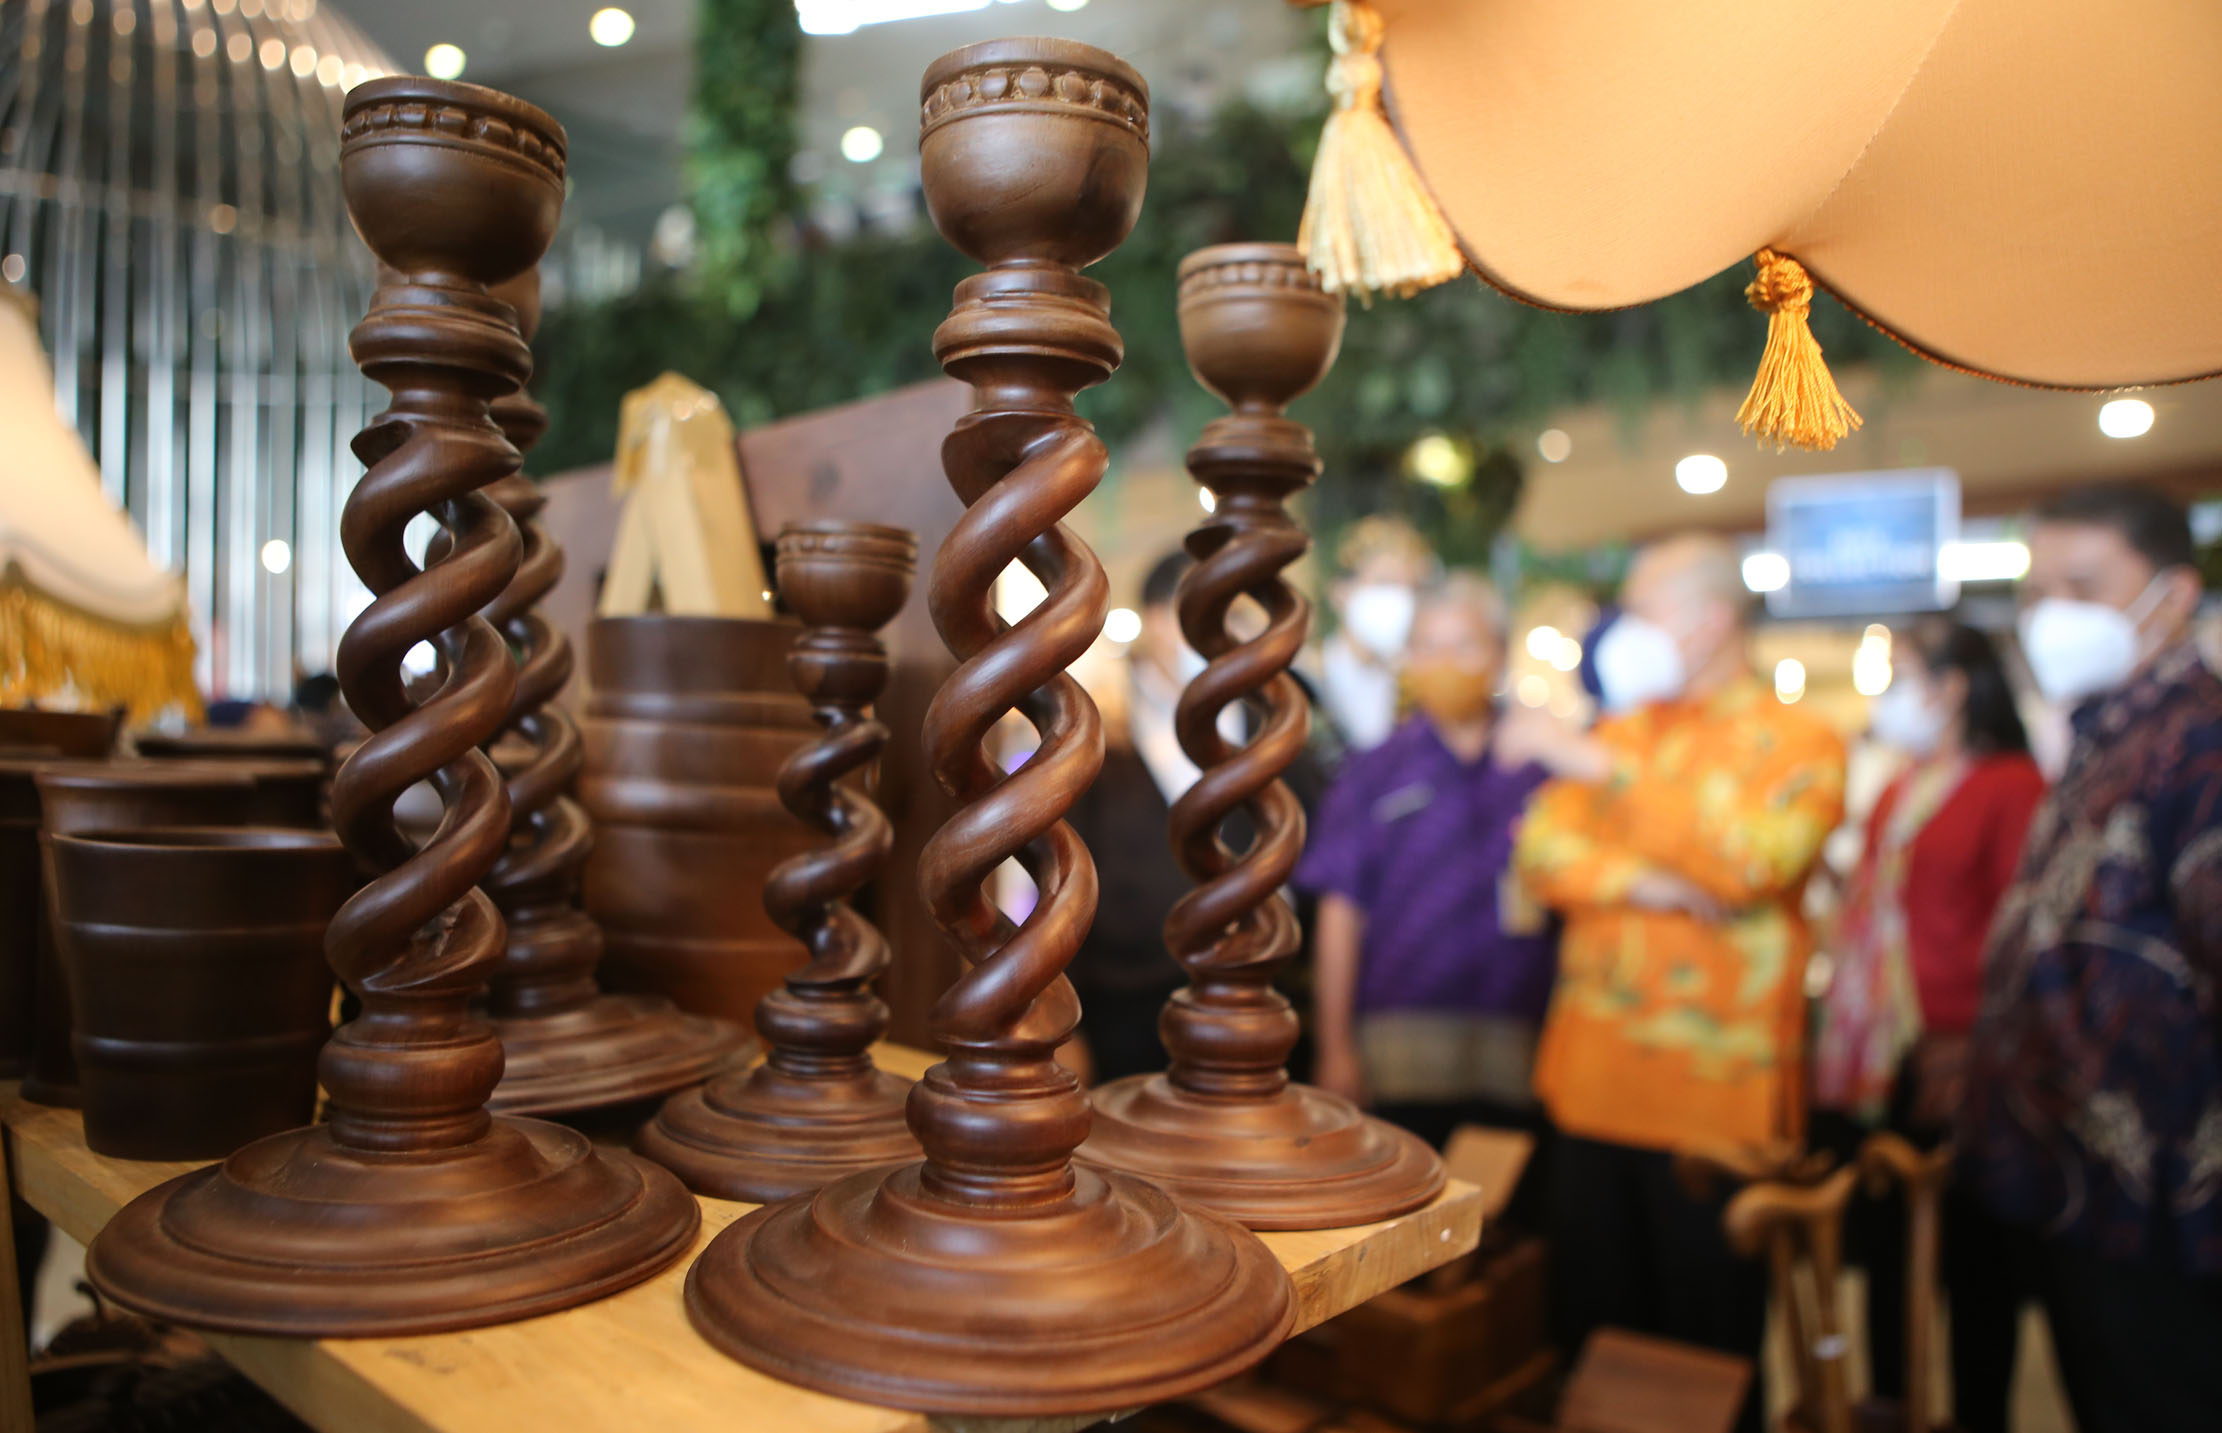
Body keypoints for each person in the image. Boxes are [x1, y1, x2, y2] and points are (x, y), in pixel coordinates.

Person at [1512, 534, 1846, 1430]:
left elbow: (1753, 861)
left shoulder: (1802, 741)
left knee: (1709, 1351)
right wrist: (1654, 882)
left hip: (1716, 1103)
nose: (1623, 629)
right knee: (1591, 1339)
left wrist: (1611, 777)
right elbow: (1543, 852)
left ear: (1709, 621)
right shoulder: (1625, 729)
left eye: (1642, 609)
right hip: (1591, 1085)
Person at [1960, 483, 2222, 1433]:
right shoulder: (2104, 733)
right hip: (2075, 1178)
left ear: (2173, 595)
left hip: (2162, 1191)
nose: (2053, 616)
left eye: (2083, 587)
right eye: (2039, 593)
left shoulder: (2200, 741)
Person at [1812, 620, 2044, 1433]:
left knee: (1976, 1259)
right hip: (1884, 1051)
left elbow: (2020, 927)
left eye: (1901, 674)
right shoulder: (1902, 784)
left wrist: (1974, 1040)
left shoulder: (2011, 784)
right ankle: (1892, 1406)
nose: (1887, 694)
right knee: (1885, 1247)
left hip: (1967, 1054)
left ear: (1951, 687)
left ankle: (1980, 1414)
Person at [1297, 575, 1557, 1181]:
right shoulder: (1375, 771)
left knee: (1507, 1210)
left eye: (1465, 646)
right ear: (1410, 659)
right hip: (1400, 1042)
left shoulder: (1541, 763)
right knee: (1408, 1202)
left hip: (1523, 1037)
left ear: (1500, 653)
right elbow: (1340, 912)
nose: (1445, 664)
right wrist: (1335, 1048)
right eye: (1429, 647)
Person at [1316, 515, 1438, 754]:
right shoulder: (1308, 683)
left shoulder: (1420, 691)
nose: (1401, 599)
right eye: (1385, 583)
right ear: (1340, 591)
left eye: (1411, 588)